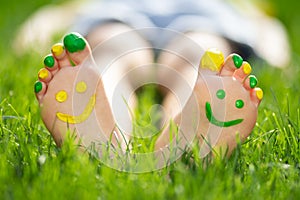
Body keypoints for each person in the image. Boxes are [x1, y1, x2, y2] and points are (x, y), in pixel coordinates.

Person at [31, 0, 276, 162]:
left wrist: (34, 32)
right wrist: (276, 51)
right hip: (130, 12)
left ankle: (188, 127)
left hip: (197, 14)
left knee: (192, 54)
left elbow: (260, 18)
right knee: (116, 46)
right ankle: (107, 133)